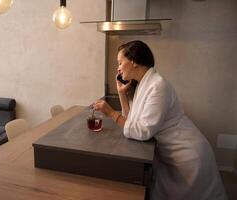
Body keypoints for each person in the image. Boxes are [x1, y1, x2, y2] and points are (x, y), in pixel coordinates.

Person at [93, 40, 227, 200]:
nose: (118, 68)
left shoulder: (158, 86)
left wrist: (111, 113)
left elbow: (141, 131)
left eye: (120, 62)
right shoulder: (144, 84)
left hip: (187, 154)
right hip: (171, 154)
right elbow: (131, 122)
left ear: (134, 61)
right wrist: (121, 93)